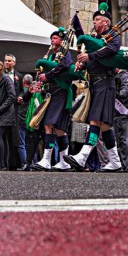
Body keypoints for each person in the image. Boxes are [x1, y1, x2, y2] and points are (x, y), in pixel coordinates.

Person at [69, 4, 123, 171]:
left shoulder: (113, 34)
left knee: (95, 121)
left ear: (106, 22)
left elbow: (111, 51)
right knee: (105, 126)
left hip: (105, 83)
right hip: (95, 84)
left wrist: (89, 55)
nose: (95, 22)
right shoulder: (93, 37)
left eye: (98, 19)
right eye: (94, 19)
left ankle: (82, 157)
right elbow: (92, 60)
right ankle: (115, 161)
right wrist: (82, 65)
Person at [34, 28, 77, 171]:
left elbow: (65, 66)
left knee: (51, 125)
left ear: (62, 40)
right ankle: (61, 161)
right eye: (51, 39)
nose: (53, 40)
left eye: (55, 38)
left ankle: (51, 160)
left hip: (60, 93)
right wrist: (42, 81)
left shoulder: (65, 54)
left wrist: (49, 75)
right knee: (57, 128)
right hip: (51, 94)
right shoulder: (51, 56)